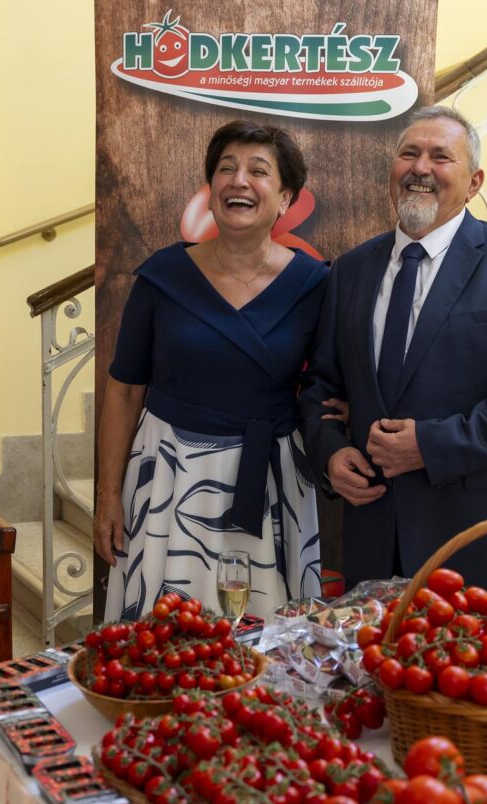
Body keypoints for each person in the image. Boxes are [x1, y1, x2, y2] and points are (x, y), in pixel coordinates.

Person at [299, 105, 487, 589]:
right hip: (374, 530)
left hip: (480, 533)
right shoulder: (351, 269)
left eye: (441, 157)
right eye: (409, 154)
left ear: (474, 183)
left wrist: (431, 446)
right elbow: (321, 385)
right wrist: (330, 453)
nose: (420, 168)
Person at [95, 120, 345, 622]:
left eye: (259, 171)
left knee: (265, 635)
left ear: (285, 198)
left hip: (270, 478)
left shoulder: (316, 284)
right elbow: (124, 391)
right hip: (168, 473)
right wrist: (108, 495)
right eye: (226, 169)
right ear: (209, 192)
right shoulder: (163, 277)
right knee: (163, 635)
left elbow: (328, 386)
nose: (239, 180)